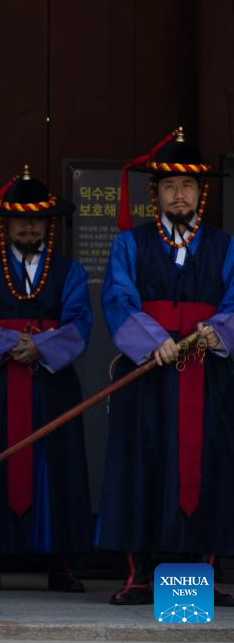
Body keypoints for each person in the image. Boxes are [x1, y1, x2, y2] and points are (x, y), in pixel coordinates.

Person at [99, 127, 234, 606]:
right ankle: (141, 575)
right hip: (149, 372)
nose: (179, 195)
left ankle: (202, 574)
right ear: (155, 193)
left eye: (188, 186)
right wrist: (153, 341)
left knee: (208, 464)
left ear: (202, 192)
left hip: (208, 370)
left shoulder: (224, 245)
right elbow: (116, 298)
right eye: (169, 187)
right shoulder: (130, 245)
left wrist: (222, 329)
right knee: (144, 463)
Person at [0, 165, 92, 593]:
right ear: (7, 223)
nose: (29, 226)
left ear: (48, 224)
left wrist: (41, 348)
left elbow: (80, 322)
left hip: (52, 383)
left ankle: (62, 562)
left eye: (37, 219)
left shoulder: (69, 271)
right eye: (20, 218)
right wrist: (12, 344)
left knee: (59, 467)